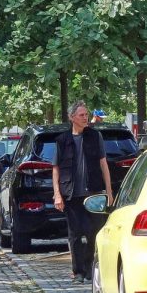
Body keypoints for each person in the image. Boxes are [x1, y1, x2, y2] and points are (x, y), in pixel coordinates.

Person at [52, 101, 113, 283]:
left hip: (93, 193)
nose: (85, 118)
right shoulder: (62, 140)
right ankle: (78, 271)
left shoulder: (95, 137)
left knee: (94, 232)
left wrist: (109, 191)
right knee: (75, 235)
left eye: (86, 114)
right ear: (72, 118)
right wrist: (57, 194)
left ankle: (89, 269)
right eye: (81, 115)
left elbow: (103, 164)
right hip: (71, 195)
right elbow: (55, 168)